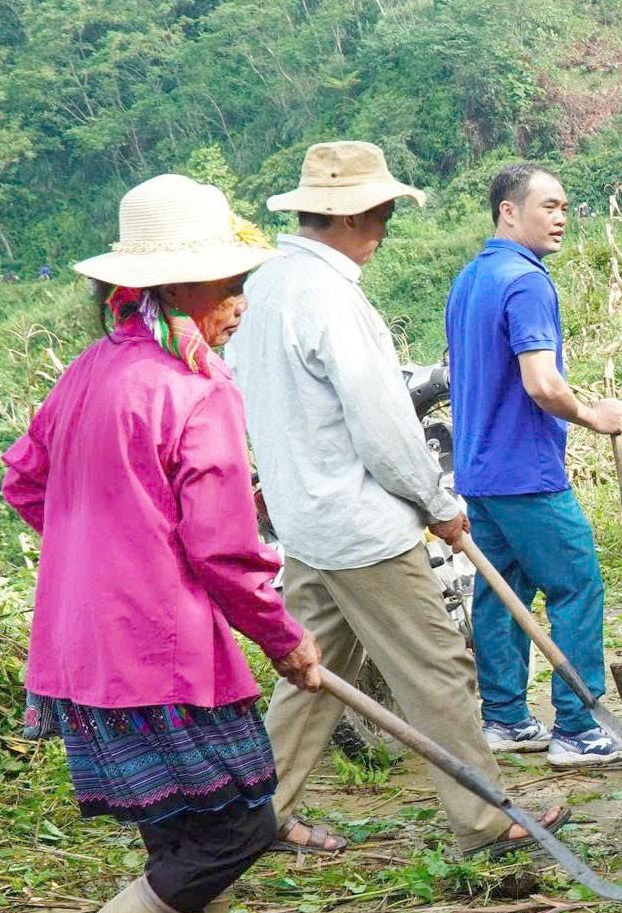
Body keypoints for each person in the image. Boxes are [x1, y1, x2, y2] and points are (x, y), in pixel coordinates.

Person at [2, 173, 322, 913]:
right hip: (161, 655)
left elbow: (25, 482)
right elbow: (224, 552)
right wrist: (285, 637)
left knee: (190, 831)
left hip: (81, 648)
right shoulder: (195, 391)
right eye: (227, 287)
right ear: (173, 291)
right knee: (239, 829)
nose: (238, 305)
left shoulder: (89, 373)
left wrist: (100, 550)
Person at [231, 141, 567, 858]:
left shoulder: (263, 286)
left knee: (312, 670)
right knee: (438, 665)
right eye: (381, 212)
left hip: (305, 519)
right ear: (353, 216)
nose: (385, 227)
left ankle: (256, 816)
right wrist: (434, 502)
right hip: (361, 528)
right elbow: (383, 428)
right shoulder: (332, 300)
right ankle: (482, 820)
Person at [444, 164, 622, 766]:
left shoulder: (471, 279)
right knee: (575, 585)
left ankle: (505, 718)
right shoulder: (526, 281)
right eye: (548, 206)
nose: (559, 218)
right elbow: (543, 383)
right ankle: (578, 726)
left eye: (565, 208)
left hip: (477, 471)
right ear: (508, 210)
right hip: (526, 473)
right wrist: (592, 414)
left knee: (504, 594)